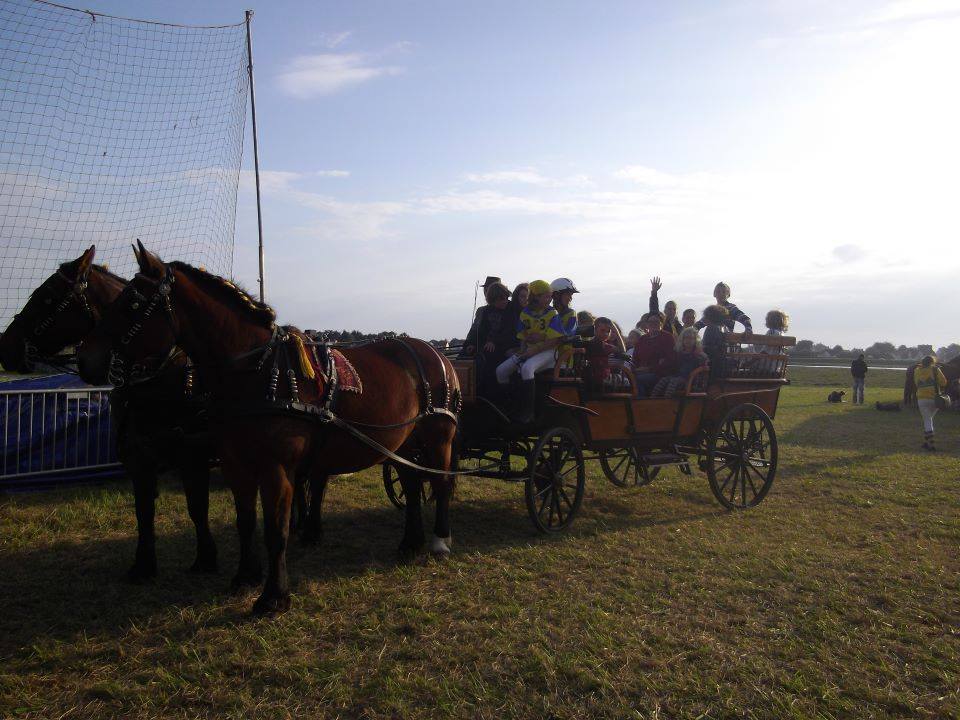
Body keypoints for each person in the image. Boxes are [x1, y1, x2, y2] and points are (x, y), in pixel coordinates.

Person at [495, 280, 561, 422]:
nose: (550, 299)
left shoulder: (552, 313)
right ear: (536, 296)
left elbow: (554, 340)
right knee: (501, 371)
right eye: (546, 296)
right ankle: (509, 406)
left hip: (549, 352)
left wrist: (533, 350)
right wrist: (523, 350)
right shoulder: (525, 313)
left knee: (527, 368)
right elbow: (522, 336)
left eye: (550, 296)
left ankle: (529, 412)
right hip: (529, 351)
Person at [472, 282, 514, 397]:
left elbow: (508, 330)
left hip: (507, 344)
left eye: (505, 298)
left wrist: (494, 341)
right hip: (490, 345)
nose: (504, 301)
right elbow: (482, 330)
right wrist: (474, 344)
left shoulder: (511, 309)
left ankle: (496, 395)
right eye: (500, 300)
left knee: (490, 358)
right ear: (493, 300)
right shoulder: (486, 311)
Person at [651, 327, 707, 397]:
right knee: (663, 380)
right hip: (678, 376)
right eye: (686, 338)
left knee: (673, 382)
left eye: (691, 338)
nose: (688, 340)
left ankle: (667, 401)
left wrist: (701, 356)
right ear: (682, 340)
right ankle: (653, 400)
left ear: (695, 340)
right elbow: (674, 366)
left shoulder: (697, 354)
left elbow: (704, 366)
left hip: (690, 379)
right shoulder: (679, 353)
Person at [631, 312, 676, 396]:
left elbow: (670, 360)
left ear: (661, 324)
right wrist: (635, 369)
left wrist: (649, 369)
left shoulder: (667, 337)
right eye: (650, 322)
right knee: (628, 378)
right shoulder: (642, 339)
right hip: (640, 371)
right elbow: (635, 358)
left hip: (659, 374)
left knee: (637, 380)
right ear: (647, 324)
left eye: (656, 322)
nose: (653, 324)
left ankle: (642, 404)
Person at [459, 276, 504, 357]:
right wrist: (470, 344)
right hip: (480, 345)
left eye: (488, 289)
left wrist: (493, 341)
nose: (486, 291)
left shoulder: (506, 308)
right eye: (485, 289)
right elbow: (474, 330)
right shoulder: (481, 310)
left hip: (496, 347)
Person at [914, 355, 948, 451]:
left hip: (921, 398)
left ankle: (930, 444)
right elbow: (944, 382)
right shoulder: (935, 369)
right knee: (929, 419)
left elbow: (917, 383)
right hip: (935, 398)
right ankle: (927, 443)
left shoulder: (916, 370)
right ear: (932, 362)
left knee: (927, 420)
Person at [701, 304, 730, 379]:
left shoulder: (711, 328)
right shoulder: (724, 328)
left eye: (705, 316)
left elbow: (707, 349)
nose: (703, 318)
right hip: (721, 364)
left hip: (712, 366)